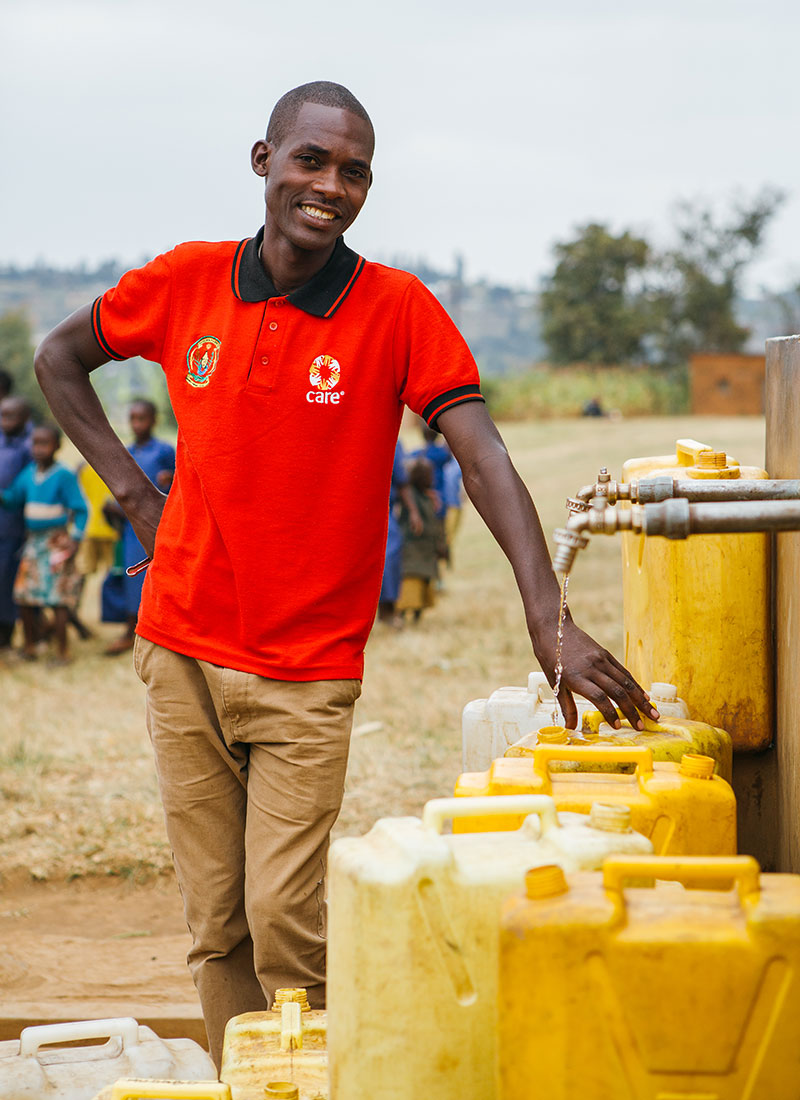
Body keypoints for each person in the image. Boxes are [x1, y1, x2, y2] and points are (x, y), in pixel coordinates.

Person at [33, 80, 657, 1064]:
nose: (330, 185)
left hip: (306, 670)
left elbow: (480, 453)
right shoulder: (185, 281)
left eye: (352, 170)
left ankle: (319, 1071)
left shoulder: (395, 309)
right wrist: (134, 496)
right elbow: (58, 357)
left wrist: (550, 619)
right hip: (180, 646)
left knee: (281, 912)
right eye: (311, 160)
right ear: (263, 161)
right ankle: (258, 1078)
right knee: (216, 922)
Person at [0, 424, 87, 663]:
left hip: (55, 543)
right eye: (34, 443)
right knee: (24, 595)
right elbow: (13, 499)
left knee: (57, 599)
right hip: (33, 543)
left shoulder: (63, 475)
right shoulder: (28, 473)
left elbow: (81, 509)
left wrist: (76, 538)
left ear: (57, 446)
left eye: (44, 443)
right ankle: (30, 646)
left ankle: (62, 651)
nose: (38, 449)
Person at [105, 399, 175, 655]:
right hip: (130, 526)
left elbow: (181, 480)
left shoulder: (164, 451)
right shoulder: (128, 452)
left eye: (141, 418)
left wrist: (171, 478)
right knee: (130, 577)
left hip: (158, 524)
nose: (136, 424)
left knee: (155, 576)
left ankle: (159, 630)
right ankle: (130, 628)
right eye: (132, 419)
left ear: (153, 420)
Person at [395, 457, 447, 622]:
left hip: (426, 549)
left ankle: (417, 614)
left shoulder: (427, 496)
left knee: (424, 582)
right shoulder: (409, 496)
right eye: (428, 476)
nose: (432, 479)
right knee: (410, 583)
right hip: (413, 550)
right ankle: (402, 613)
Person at [376, 439, 422, 626]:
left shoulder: (392, 442)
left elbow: (401, 482)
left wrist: (413, 511)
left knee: (390, 555)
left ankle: (387, 610)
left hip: (382, 511)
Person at [0, 397, 33, 648]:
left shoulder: (29, 449)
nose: (5, 422)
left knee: (10, 577)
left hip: (15, 524)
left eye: (10, 416)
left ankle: (8, 632)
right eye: (2, 415)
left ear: (25, 419)